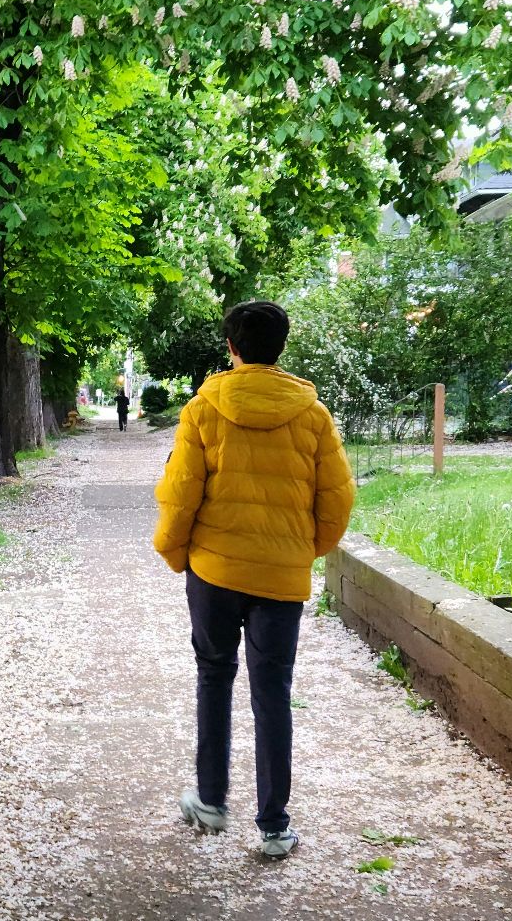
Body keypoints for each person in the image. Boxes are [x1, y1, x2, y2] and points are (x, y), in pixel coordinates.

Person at [152, 300, 354, 858]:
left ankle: (212, 800)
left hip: (214, 570)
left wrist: (175, 552)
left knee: (214, 675)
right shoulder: (312, 414)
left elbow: (181, 492)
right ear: (281, 348)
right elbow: (337, 497)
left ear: (231, 348)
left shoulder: (204, 409)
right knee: (273, 692)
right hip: (280, 580)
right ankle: (273, 826)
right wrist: (302, 552)